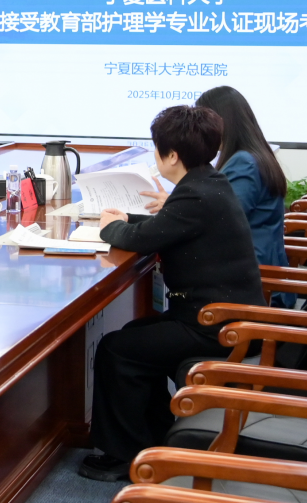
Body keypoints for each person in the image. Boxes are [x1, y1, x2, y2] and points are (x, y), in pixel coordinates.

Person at [79, 105, 264, 482]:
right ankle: (154, 436)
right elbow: (167, 226)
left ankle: (124, 455)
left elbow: (142, 238)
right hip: (221, 317)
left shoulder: (195, 195)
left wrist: (111, 226)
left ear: (172, 155)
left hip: (216, 328)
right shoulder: (208, 182)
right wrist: (127, 220)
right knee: (134, 337)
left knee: (117, 349)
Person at [147, 86, 290, 306]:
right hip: (254, 275)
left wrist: (178, 204)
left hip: (256, 284)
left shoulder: (243, 163)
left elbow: (222, 218)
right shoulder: (252, 155)